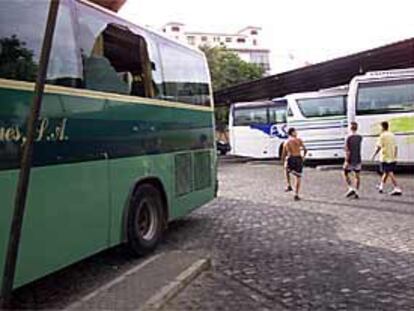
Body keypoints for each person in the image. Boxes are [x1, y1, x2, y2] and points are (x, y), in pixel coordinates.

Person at [371, 121, 402, 195]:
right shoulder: (392, 135)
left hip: (385, 157)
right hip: (392, 156)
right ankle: (381, 186)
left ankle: (397, 187)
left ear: (382, 127)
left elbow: (379, 147)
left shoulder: (382, 136)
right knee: (386, 172)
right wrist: (395, 156)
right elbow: (396, 146)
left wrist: (374, 155)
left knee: (390, 172)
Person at [282, 127, 307, 201]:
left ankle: (289, 185)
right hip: (298, 158)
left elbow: (284, 153)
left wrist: (283, 160)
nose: (297, 133)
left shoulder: (286, 142)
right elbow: (305, 149)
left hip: (291, 158)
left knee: (286, 169)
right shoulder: (299, 140)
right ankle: (296, 194)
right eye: (295, 132)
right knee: (298, 177)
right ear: (292, 133)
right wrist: (303, 157)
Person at [343, 122, 363, 199]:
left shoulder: (348, 137)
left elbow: (347, 150)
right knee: (357, 175)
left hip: (350, 159)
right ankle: (357, 191)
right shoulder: (360, 137)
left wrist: (346, 160)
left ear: (350, 128)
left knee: (345, 173)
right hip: (358, 158)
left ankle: (350, 188)